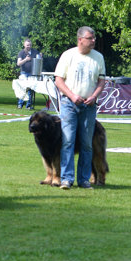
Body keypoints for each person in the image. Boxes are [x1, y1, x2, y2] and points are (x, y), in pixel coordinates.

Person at [54, 26, 106, 190]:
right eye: (90, 38)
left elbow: (101, 81)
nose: (93, 41)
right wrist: (72, 96)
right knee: (68, 142)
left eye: (94, 38)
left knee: (86, 144)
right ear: (80, 39)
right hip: (69, 104)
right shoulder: (68, 55)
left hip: (89, 106)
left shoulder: (98, 57)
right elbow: (58, 80)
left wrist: (94, 96)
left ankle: (84, 180)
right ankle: (66, 179)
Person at [16, 38, 42, 109]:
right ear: (24, 45)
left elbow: (39, 59)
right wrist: (25, 59)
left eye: (30, 45)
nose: (29, 46)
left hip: (32, 73)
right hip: (24, 73)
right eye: (27, 45)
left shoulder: (35, 52)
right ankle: (20, 104)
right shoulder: (21, 53)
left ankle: (29, 105)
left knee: (31, 89)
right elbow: (18, 63)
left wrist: (40, 56)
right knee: (23, 88)